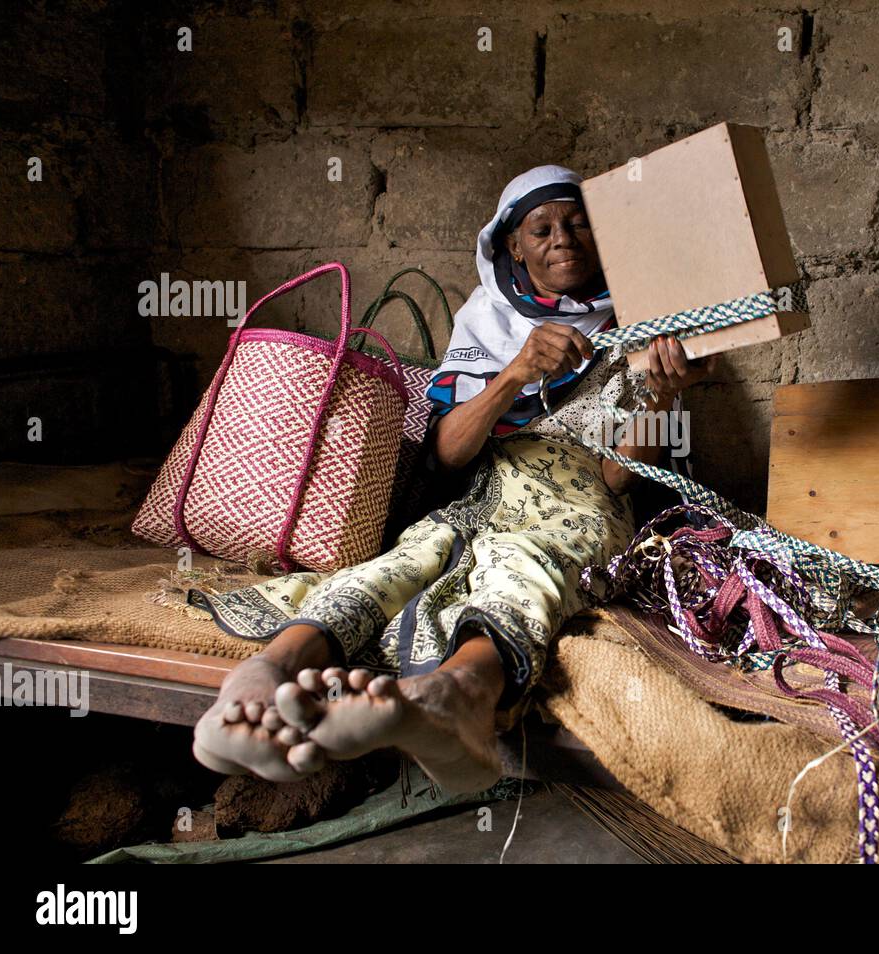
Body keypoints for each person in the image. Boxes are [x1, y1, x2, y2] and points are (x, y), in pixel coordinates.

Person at [189, 165, 716, 793]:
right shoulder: (487, 322)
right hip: (481, 494)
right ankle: (266, 673)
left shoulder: (644, 324)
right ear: (513, 246)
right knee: (408, 560)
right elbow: (447, 451)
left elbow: (617, 474)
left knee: (530, 567)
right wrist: (516, 372)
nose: (563, 239)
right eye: (541, 228)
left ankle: (454, 695)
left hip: (580, 504)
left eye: (578, 223)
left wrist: (660, 395)